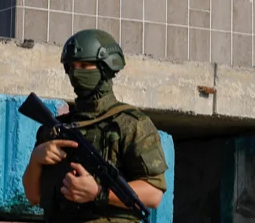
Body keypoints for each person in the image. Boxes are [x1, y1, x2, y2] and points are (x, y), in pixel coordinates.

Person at [22, 29, 168, 222]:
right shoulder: (56, 129)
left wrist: (99, 193)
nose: (76, 73)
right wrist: (36, 159)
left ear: (105, 68)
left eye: (84, 65)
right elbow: (34, 197)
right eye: (71, 67)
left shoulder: (131, 124)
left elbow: (154, 194)